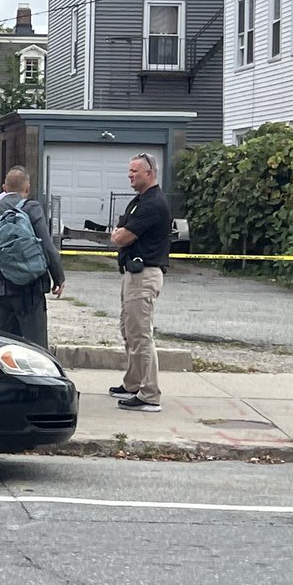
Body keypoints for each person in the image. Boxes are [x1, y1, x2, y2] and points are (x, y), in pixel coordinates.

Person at [0, 165, 66, 349]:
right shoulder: (31, 208)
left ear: (4, 188)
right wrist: (58, 277)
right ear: (27, 189)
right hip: (28, 288)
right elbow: (46, 245)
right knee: (35, 347)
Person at [109, 152, 172, 413]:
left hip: (144, 274)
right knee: (129, 330)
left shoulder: (153, 204)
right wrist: (120, 233)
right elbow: (122, 231)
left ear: (150, 173)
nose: (130, 175)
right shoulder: (139, 201)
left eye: (135, 171)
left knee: (141, 335)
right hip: (132, 274)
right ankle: (133, 383)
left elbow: (122, 236)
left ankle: (149, 394)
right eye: (129, 171)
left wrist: (118, 235)